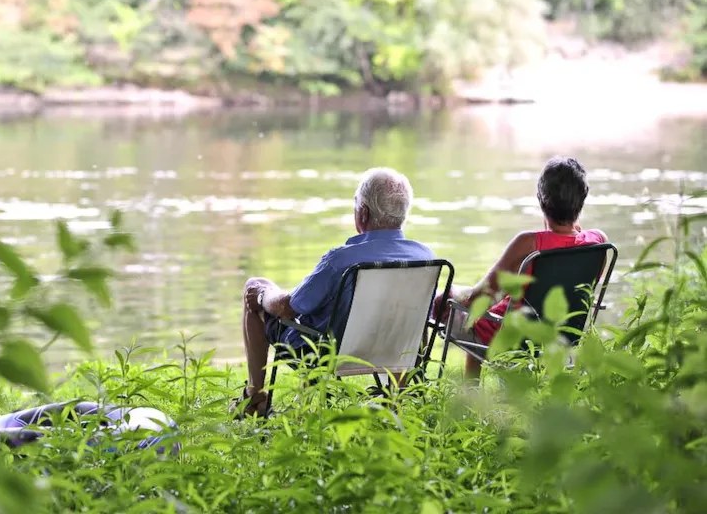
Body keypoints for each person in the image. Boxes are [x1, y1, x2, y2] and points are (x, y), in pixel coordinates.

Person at [233, 167, 434, 417]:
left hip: (330, 356)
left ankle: (254, 399)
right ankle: (392, 400)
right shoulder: (426, 259)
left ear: (363, 212)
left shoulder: (340, 261)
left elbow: (288, 307)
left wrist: (263, 293)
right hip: (398, 351)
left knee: (256, 294)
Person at [435, 156, 608, 379]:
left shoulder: (528, 243)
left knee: (452, 307)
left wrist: (449, 295)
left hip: (512, 338)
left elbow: (479, 297)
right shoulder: (600, 242)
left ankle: (470, 397)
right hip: (563, 337)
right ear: (583, 198)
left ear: (540, 199)